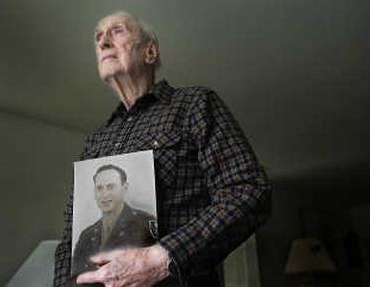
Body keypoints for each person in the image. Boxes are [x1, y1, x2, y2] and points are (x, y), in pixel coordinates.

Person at [54, 11, 272, 287]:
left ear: (150, 51)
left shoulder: (194, 104)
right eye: (98, 36)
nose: (102, 42)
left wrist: (160, 259)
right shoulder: (95, 141)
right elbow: (68, 238)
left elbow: (250, 190)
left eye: (117, 31)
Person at [71, 164, 156, 277]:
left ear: (124, 188)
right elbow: (76, 277)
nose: (104, 194)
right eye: (99, 188)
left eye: (110, 187)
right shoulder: (86, 235)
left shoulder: (145, 223)